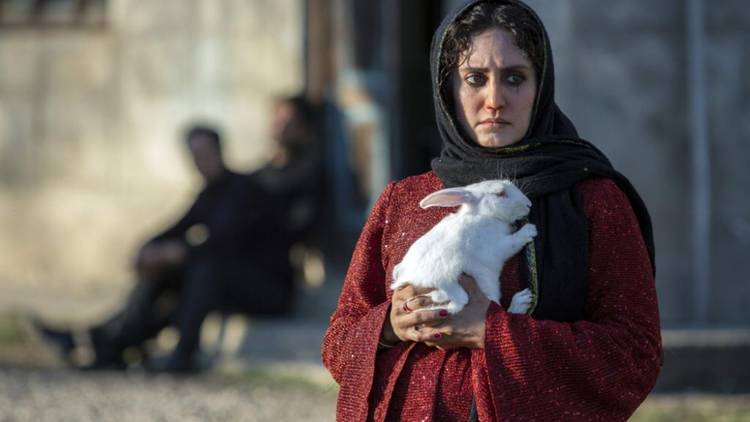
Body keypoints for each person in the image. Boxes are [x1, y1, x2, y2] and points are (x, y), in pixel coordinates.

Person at [321, 1, 661, 420]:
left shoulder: (593, 200)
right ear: (449, 90)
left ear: (541, 87)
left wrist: (494, 332)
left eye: (515, 78)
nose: (494, 100)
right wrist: (391, 325)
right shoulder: (405, 200)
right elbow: (338, 342)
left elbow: (635, 354)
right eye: (475, 79)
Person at [37, 98, 322, 373]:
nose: (202, 161)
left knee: (202, 269)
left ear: (220, 151)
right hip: (229, 280)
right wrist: (148, 249)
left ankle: (179, 354)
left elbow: (224, 243)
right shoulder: (211, 194)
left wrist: (179, 252)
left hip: (269, 289)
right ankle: (110, 344)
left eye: (207, 153)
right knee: (164, 276)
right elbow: (176, 226)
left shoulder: (243, 189)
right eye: (196, 156)